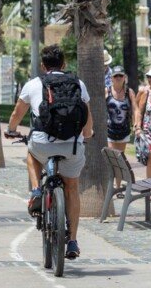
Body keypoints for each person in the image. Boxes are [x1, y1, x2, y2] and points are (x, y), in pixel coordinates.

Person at [5, 45, 94, 259]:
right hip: (72, 145)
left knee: (32, 155)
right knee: (72, 187)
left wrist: (11, 130)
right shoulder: (77, 84)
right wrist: (87, 134)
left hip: (42, 143)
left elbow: (18, 112)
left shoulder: (33, 84)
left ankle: (36, 191)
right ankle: (72, 240)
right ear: (64, 65)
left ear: (43, 66)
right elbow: (88, 121)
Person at [106, 66, 135, 152]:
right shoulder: (107, 91)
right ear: (111, 78)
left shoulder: (129, 92)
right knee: (111, 157)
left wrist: (136, 125)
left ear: (124, 77)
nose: (118, 78)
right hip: (109, 130)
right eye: (116, 76)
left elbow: (135, 109)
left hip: (124, 130)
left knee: (120, 157)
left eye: (120, 76)